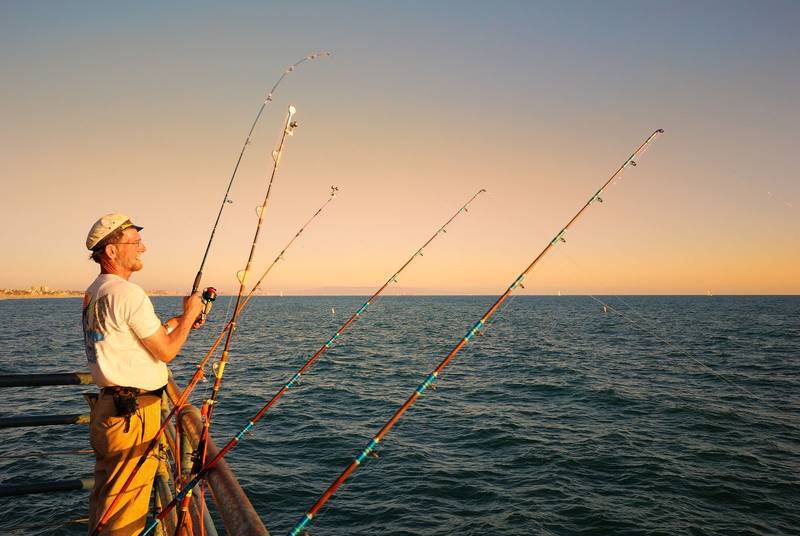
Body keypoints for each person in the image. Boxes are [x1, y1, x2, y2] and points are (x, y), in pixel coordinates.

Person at [82, 213, 204, 535]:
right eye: (135, 242)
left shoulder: (96, 291)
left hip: (109, 410)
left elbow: (132, 338)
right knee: (124, 515)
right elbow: (166, 351)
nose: (143, 248)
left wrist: (180, 321)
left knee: (106, 502)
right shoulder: (128, 293)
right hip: (132, 417)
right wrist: (191, 314)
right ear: (111, 251)